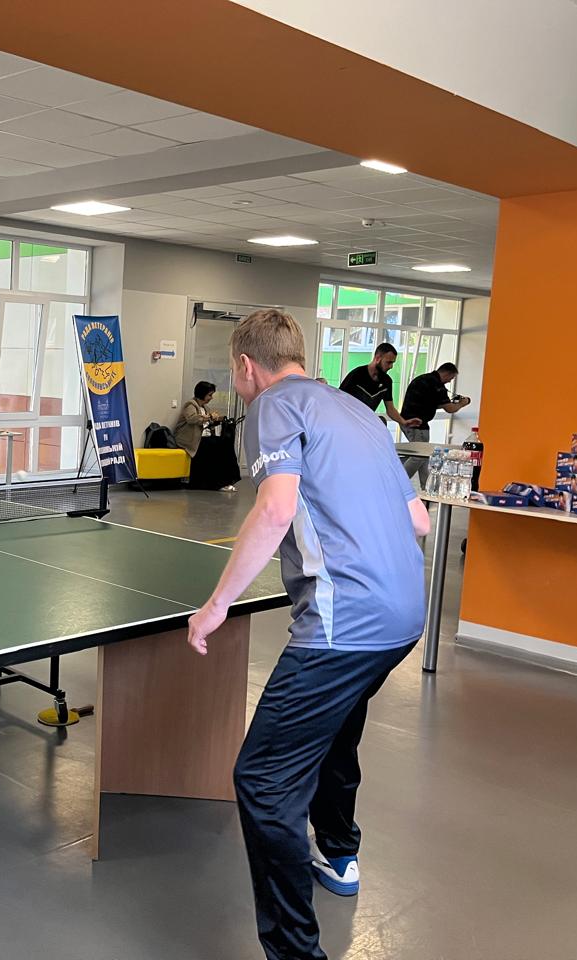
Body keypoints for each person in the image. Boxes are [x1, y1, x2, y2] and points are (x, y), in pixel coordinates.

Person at [186, 308, 429, 960]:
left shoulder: (271, 406)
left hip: (344, 626)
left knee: (264, 781)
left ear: (246, 365)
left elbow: (276, 509)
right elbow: (421, 522)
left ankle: (296, 953)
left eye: (236, 372)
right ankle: (340, 853)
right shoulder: (357, 411)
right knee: (335, 728)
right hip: (404, 618)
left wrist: (216, 605)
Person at [399, 362, 470, 486]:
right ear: (447, 373)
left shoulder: (423, 379)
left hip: (406, 421)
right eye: (451, 378)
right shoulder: (438, 386)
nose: (449, 381)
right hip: (416, 424)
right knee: (419, 456)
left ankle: (426, 487)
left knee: (424, 455)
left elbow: (430, 403)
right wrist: (462, 403)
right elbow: (450, 409)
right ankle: (398, 482)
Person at [338, 343, 422, 431]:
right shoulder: (356, 375)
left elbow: (390, 409)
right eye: (389, 362)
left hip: (365, 424)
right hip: (348, 422)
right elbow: (338, 400)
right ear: (377, 358)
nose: (391, 366)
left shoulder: (387, 381)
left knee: (382, 421)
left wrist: (404, 422)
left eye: (392, 363)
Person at [174, 381, 221, 458]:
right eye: (210, 395)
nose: (211, 398)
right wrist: (210, 417)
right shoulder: (190, 405)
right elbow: (192, 419)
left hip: (204, 439)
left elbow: (207, 422)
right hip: (191, 441)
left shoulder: (205, 408)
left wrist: (216, 420)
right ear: (202, 394)